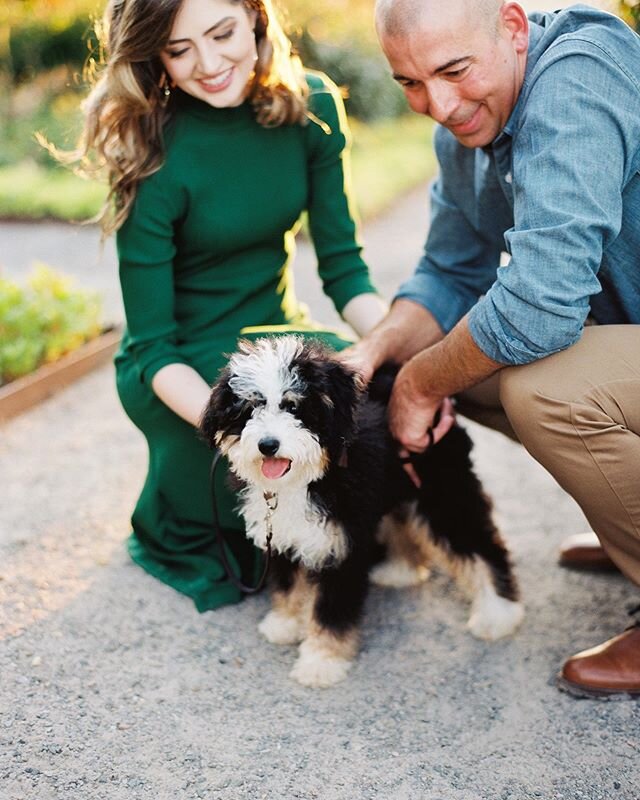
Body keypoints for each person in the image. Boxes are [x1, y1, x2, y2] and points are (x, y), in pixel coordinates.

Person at [343, 0, 640, 698]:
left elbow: (541, 302)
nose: (438, 105)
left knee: (543, 388)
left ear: (511, 27)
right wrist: (378, 353)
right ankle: (625, 516)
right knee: (458, 368)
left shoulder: (578, 78)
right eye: (410, 83)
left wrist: (419, 383)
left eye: (452, 69)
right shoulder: (469, 128)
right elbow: (449, 272)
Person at [66, 0, 387, 611]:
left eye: (222, 33)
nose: (209, 64)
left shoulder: (310, 107)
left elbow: (345, 268)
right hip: (181, 371)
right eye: (179, 49)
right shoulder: (149, 147)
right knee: (248, 508)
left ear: (255, 17)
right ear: (152, 54)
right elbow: (154, 346)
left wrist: (394, 348)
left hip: (274, 342)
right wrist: (233, 430)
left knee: (371, 411)